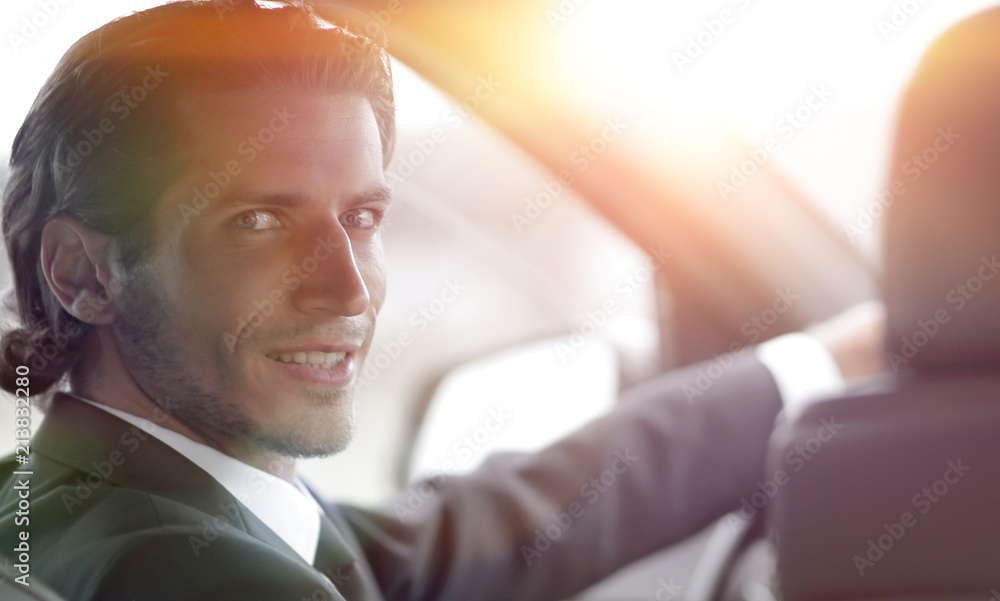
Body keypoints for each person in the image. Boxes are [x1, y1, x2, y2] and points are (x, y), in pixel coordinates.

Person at [0, 2, 882, 599]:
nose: (348, 287)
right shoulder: (198, 573)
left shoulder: (69, 503)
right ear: (82, 273)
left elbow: (471, 529)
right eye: (259, 221)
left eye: (364, 216)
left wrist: (830, 359)